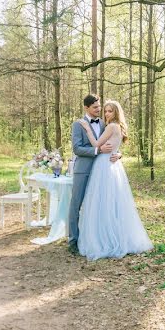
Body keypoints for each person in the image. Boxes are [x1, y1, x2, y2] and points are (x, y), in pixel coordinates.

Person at [76, 100, 152, 260]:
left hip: (105, 165)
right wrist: (119, 154)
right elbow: (115, 146)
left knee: (103, 201)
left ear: (116, 112)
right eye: (105, 111)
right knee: (113, 201)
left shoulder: (111, 126)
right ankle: (113, 233)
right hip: (114, 165)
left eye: (109, 111)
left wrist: (87, 129)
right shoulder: (116, 127)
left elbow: (97, 144)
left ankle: (105, 237)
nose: (106, 113)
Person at [68, 94, 119, 255]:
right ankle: (73, 240)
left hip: (101, 171)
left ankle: (94, 238)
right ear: (86, 108)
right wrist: (97, 150)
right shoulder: (78, 124)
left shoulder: (105, 124)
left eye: (99, 107)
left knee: (98, 206)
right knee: (76, 204)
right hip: (83, 169)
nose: (99, 110)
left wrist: (119, 155)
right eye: (95, 107)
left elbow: (112, 143)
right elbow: (77, 148)